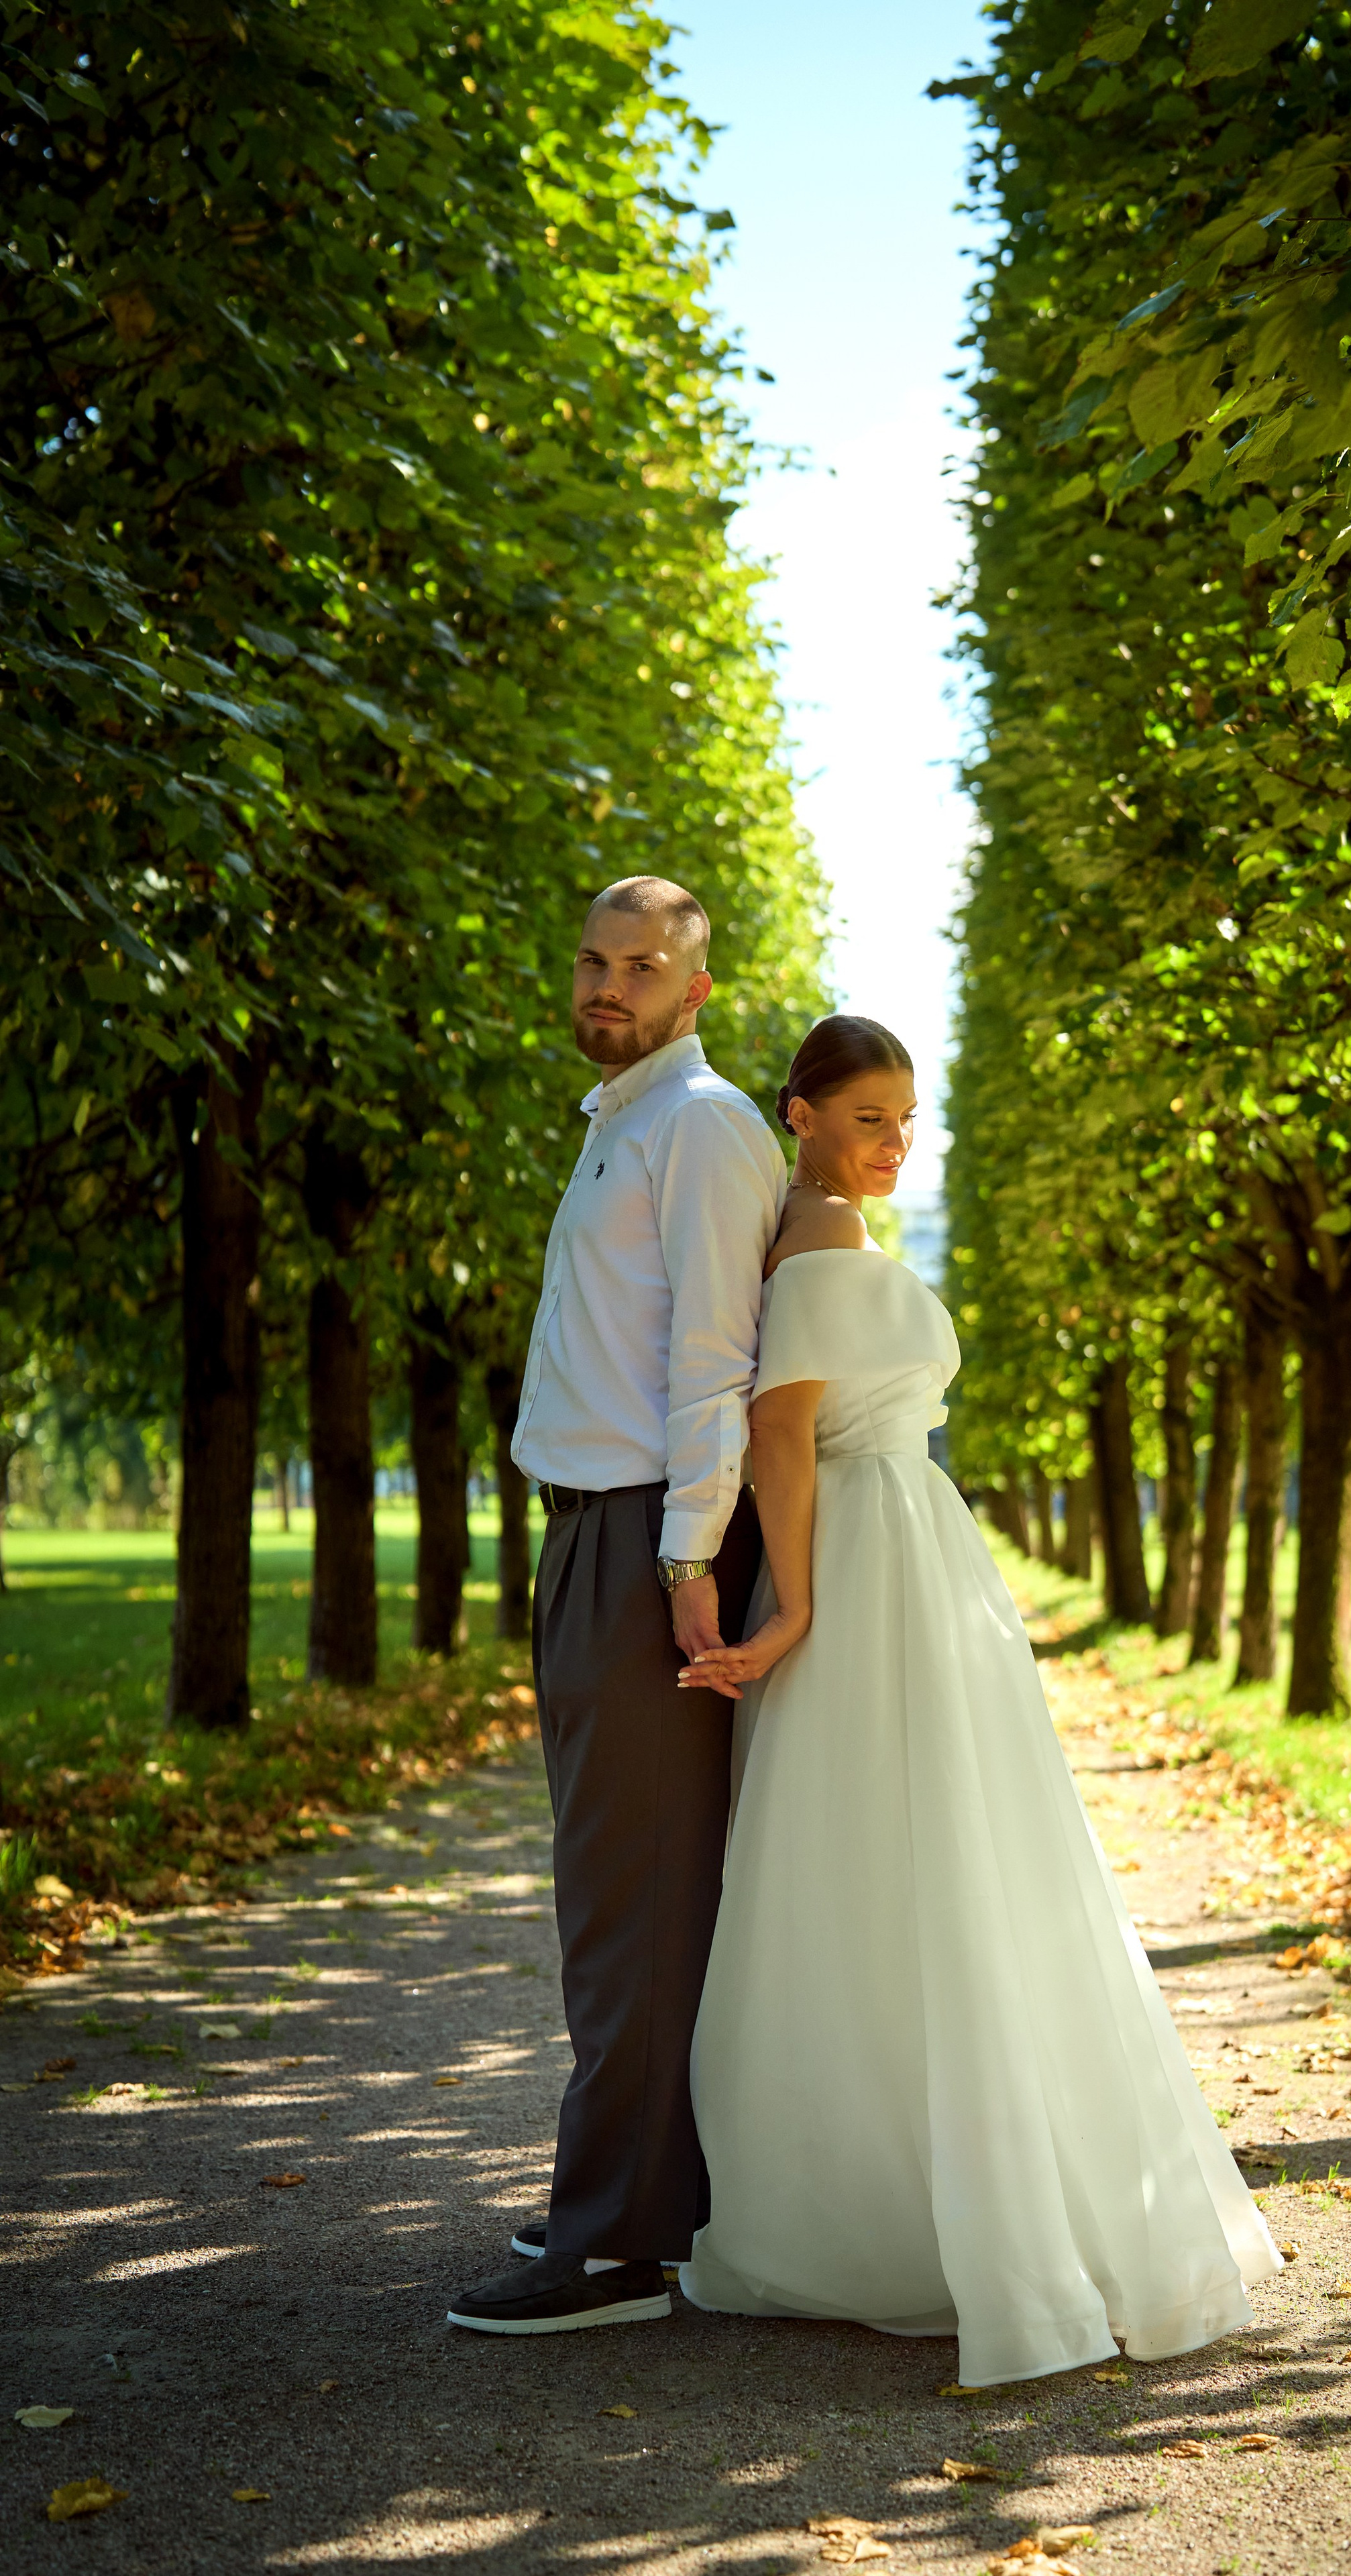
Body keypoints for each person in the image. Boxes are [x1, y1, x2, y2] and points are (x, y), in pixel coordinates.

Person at [675, 1014, 1281, 2387]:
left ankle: (929, 2186)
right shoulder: (820, 1239)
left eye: (907, 1118)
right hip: (870, 1561)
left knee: (935, 1859)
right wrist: (798, 1606)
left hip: (909, 1553)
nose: (896, 1141)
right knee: (910, 1862)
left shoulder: (839, 1233)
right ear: (801, 1116)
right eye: (870, 1117)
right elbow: (781, 1427)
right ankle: (906, 2199)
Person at [447, 877, 785, 2337]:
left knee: (633, 1901)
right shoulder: (620, 1125)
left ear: (694, 991)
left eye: (642, 967)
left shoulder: (701, 1127)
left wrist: (682, 1560)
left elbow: (712, 1360)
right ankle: (637, 2194)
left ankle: (615, 2249)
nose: (609, 985)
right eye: (593, 959)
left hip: (647, 1546)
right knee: (620, 1892)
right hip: (587, 1533)